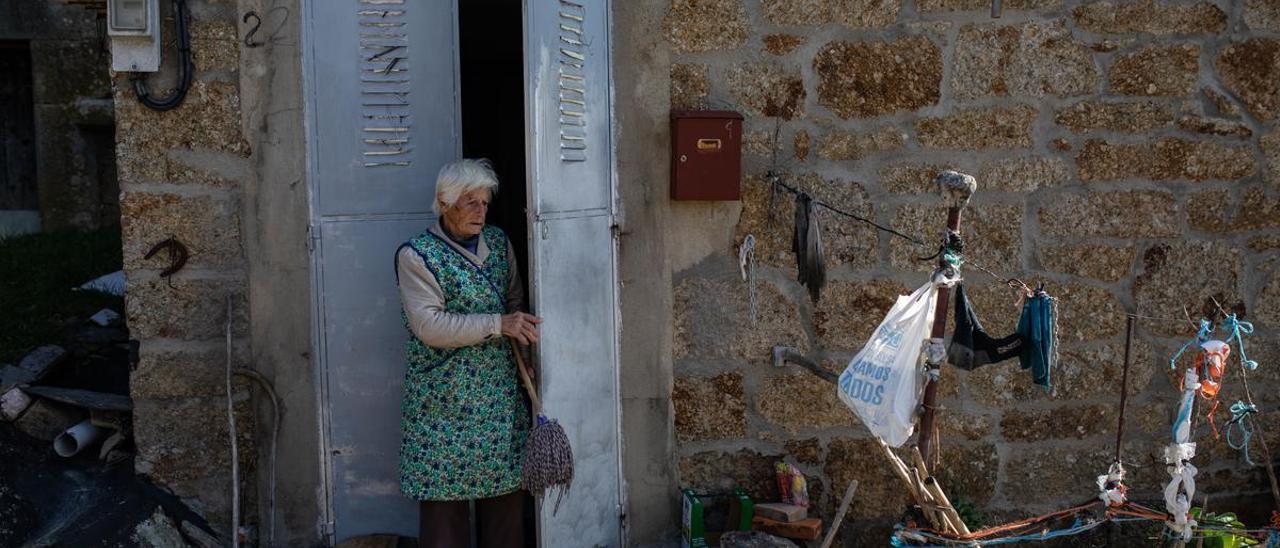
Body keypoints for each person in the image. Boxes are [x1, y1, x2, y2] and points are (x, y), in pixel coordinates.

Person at [394, 158, 541, 547]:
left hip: (497, 397)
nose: (481, 211)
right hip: (443, 401)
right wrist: (499, 324)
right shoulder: (417, 255)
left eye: (485, 202)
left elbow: (514, 299)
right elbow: (430, 326)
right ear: (445, 203)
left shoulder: (497, 241)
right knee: (444, 513)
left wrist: (524, 353)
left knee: (505, 507)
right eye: (470, 202)